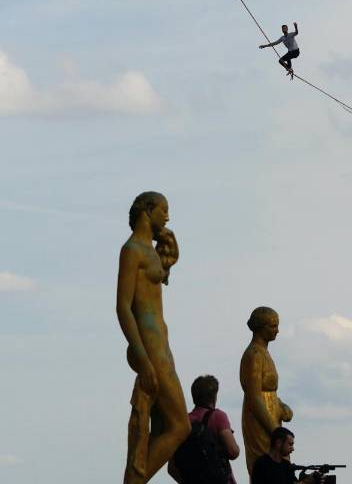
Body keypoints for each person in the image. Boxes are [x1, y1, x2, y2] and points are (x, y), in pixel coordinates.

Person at [117, 191, 190, 483]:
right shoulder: (132, 249)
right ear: (148, 211)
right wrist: (143, 360)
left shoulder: (148, 249)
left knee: (162, 428)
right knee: (180, 426)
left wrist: (169, 247)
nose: (168, 217)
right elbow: (123, 306)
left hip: (161, 346)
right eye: (164, 210)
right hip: (149, 346)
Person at [240, 307, 293, 474]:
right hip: (260, 419)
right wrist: (275, 431)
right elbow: (254, 397)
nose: (277, 331)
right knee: (268, 464)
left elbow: (269, 393)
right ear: (261, 327)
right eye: (273, 326)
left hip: (271, 416)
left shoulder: (264, 353)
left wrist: (280, 405)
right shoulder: (254, 355)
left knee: (281, 463)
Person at [168, 374, 240, 484]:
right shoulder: (218, 416)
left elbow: (172, 469)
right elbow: (233, 451)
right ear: (213, 396)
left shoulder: (182, 422)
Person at [250, 427, 315, 484]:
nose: (292, 449)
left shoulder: (286, 465)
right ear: (279, 443)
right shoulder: (261, 464)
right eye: (290, 444)